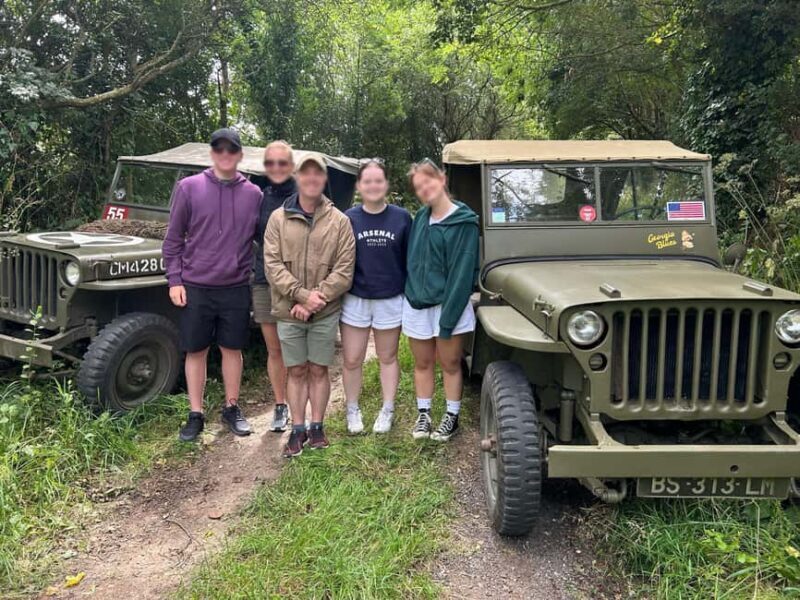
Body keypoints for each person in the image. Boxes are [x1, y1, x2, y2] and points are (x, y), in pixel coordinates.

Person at [163, 128, 263, 442]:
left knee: (232, 349)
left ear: (239, 155)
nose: (225, 155)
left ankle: (231, 408)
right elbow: (173, 240)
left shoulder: (254, 194)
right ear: (212, 154)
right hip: (196, 286)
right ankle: (196, 414)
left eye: (231, 150)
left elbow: (265, 240)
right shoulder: (189, 188)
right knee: (196, 350)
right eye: (219, 150)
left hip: (235, 286)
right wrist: (174, 280)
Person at [263, 152, 355, 457]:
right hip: (289, 311)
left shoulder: (340, 221)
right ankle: (298, 429)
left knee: (318, 369)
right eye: (306, 173)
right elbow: (272, 266)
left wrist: (315, 300)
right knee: (296, 370)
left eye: (318, 174)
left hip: (324, 312)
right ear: (297, 177)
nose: (312, 178)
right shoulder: (278, 218)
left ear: (324, 179)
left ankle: (318, 427)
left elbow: (344, 270)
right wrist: (302, 296)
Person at [403, 159, 479, 442]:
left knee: (449, 363)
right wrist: (411, 293)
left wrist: (448, 320)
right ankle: (424, 414)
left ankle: (451, 416)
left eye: (428, 182)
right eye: (419, 187)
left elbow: (462, 274)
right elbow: (413, 259)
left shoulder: (464, 223)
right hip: (417, 305)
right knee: (422, 362)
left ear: (442, 179)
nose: (425, 189)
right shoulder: (421, 219)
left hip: (449, 307)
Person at [341, 159, 412, 434]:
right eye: (367, 181)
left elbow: (410, 259)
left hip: (390, 298)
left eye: (378, 180)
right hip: (355, 298)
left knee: (388, 357)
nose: (373, 185)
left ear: (386, 185)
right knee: (351, 358)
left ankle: (387, 409)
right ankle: (352, 409)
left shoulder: (402, 217)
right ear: (359, 186)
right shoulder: (348, 217)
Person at [252, 141, 296, 432]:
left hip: (296, 284)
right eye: (271, 163)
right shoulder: (259, 196)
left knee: (296, 348)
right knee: (274, 348)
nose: (277, 168)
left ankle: (301, 406)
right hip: (263, 280)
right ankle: (281, 405)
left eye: (282, 162)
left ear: (291, 165)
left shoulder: (305, 194)